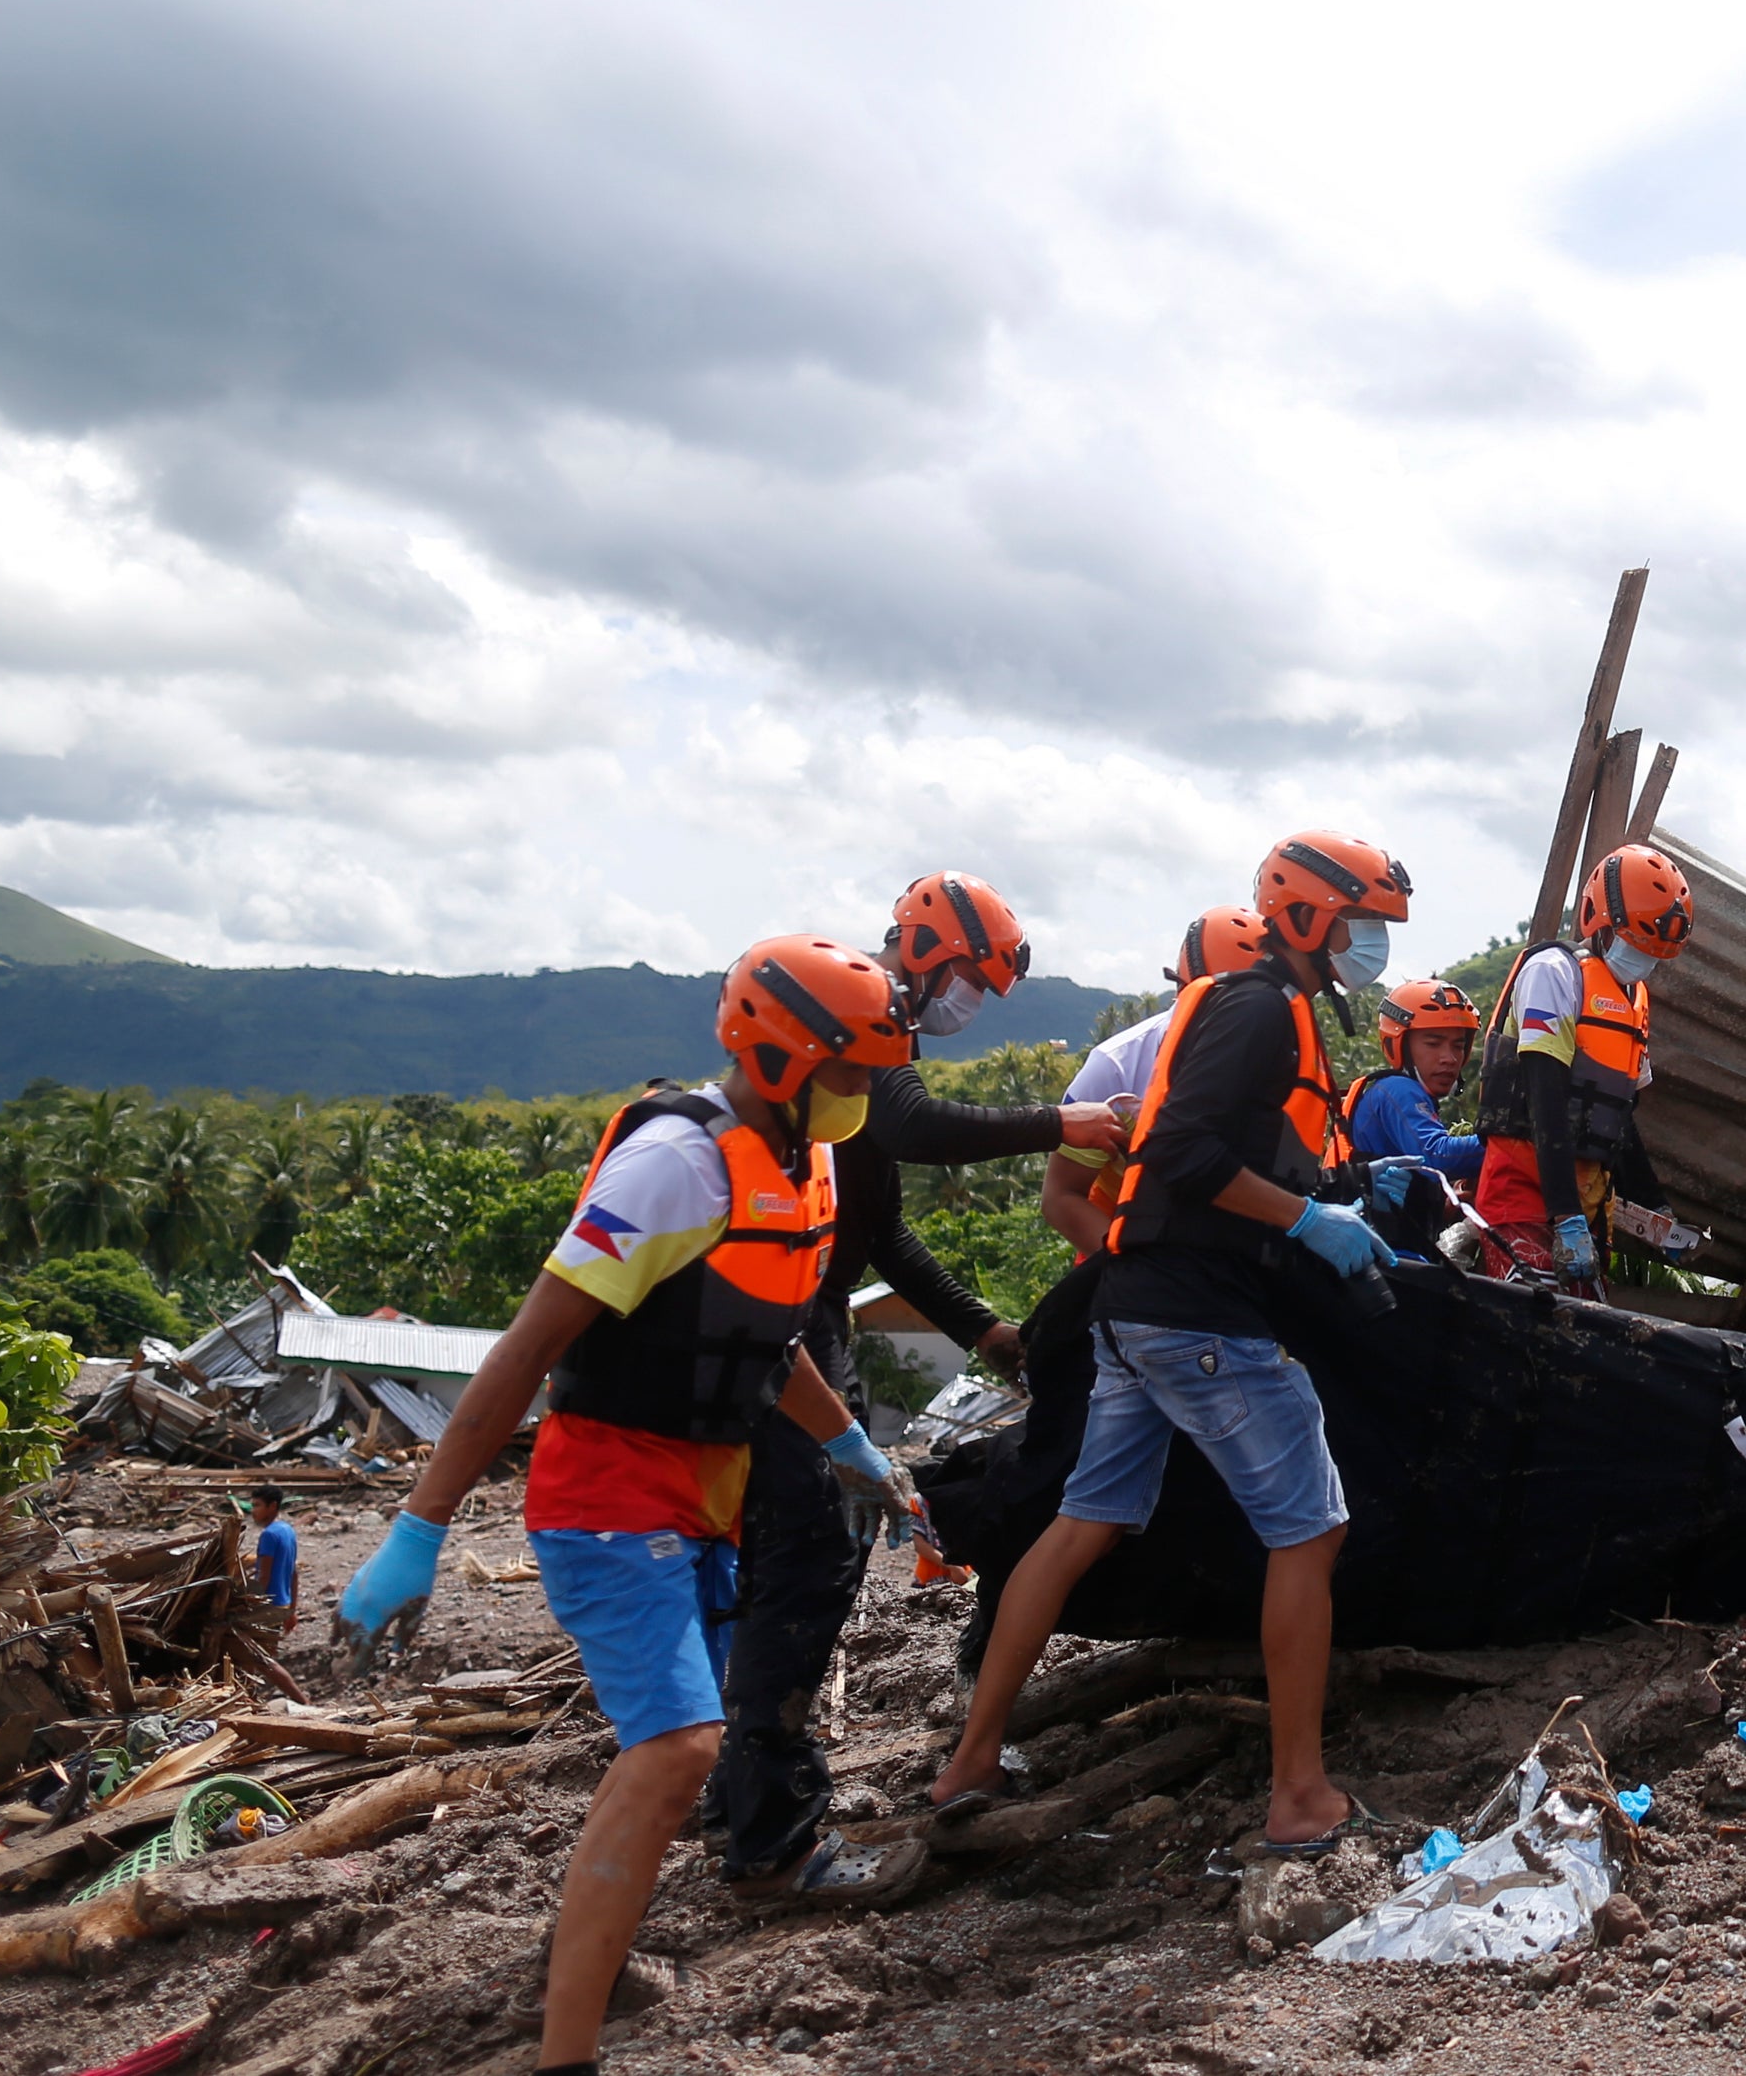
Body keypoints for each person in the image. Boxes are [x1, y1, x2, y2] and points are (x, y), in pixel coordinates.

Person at [333, 936, 930, 2076]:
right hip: (605, 1494)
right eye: (846, 1074)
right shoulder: (672, 1165)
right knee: (674, 1746)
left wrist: (848, 1440)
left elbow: (768, 1333)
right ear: (777, 1053)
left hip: (707, 1495)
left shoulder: (800, 1158)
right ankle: (566, 2052)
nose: (859, 1098)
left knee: (682, 1756)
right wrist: (418, 1526)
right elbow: (525, 1350)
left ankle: (592, 1980)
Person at [929, 832, 1414, 1852]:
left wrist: (1343, 1199)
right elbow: (1185, 1151)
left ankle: (971, 1758)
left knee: (1084, 1518)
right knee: (1308, 1530)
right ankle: (1299, 1795)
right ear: (1307, 915)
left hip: (1135, 1305)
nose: (1372, 943)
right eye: (1363, 922)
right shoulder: (1257, 1008)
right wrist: (1301, 1222)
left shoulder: (1265, 1011)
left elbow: (1224, 1149)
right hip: (1198, 1312)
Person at [709, 870, 1129, 1894]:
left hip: (812, 1311)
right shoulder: (862, 1028)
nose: (968, 1005)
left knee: (803, 1555)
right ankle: (772, 1838)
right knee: (810, 1554)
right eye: (969, 982)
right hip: (781, 1318)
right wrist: (1062, 1122)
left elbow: (878, 1222)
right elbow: (919, 1129)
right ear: (927, 954)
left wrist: (981, 1327)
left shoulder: (873, 1053)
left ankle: (743, 1790)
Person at [1467, 844, 1690, 1294]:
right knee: (1538, 1332)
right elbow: (1544, 1100)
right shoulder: (1553, 972)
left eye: (1654, 951)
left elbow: (1618, 1115)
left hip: (1587, 1206)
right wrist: (1564, 1215)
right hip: (1523, 1195)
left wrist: (1656, 1209)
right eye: (1636, 943)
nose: (1642, 958)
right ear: (1602, 922)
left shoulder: (1635, 1000)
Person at [1039, 904, 1265, 1261]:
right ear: (1185, 992)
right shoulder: (1117, 1066)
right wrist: (1134, 1269)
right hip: (1121, 1267)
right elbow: (1061, 1196)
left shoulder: (1276, 1054)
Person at [1343, 977, 1486, 1184]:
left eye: (1457, 1046)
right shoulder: (1398, 1090)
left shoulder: (1393, 1092)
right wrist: (1505, 1139)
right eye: (1433, 1044)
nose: (1450, 1058)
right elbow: (1437, 1156)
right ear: (1400, 1046)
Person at [248, 1487, 299, 1637]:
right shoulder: (287, 1530)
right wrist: (292, 1610)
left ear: (272, 1506)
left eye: (257, 1505)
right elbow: (293, 1573)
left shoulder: (269, 1535)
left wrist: (253, 1605)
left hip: (269, 1606)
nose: (253, 1511)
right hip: (283, 1604)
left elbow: (264, 1576)